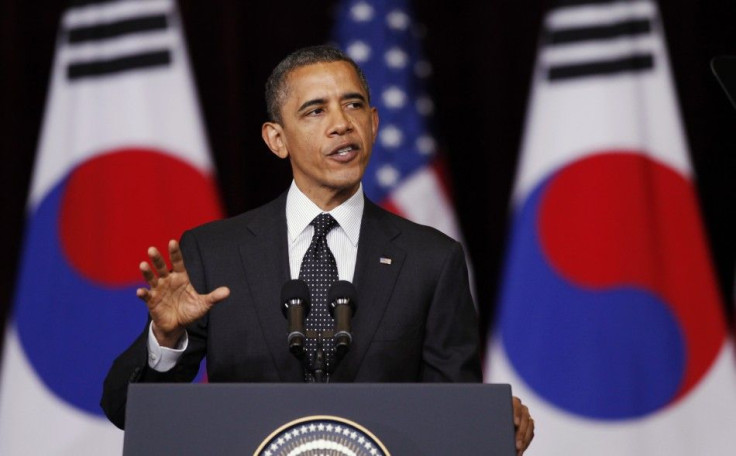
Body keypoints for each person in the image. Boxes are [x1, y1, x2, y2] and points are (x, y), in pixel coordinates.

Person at [101, 45, 534, 454]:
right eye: (315, 110)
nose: (342, 123)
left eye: (354, 105)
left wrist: (490, 422)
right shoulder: (214, 253)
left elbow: (453, 414)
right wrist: (166, 338)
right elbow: (126, 410)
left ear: (375, 123)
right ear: (276, 139)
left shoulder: (431, 260)